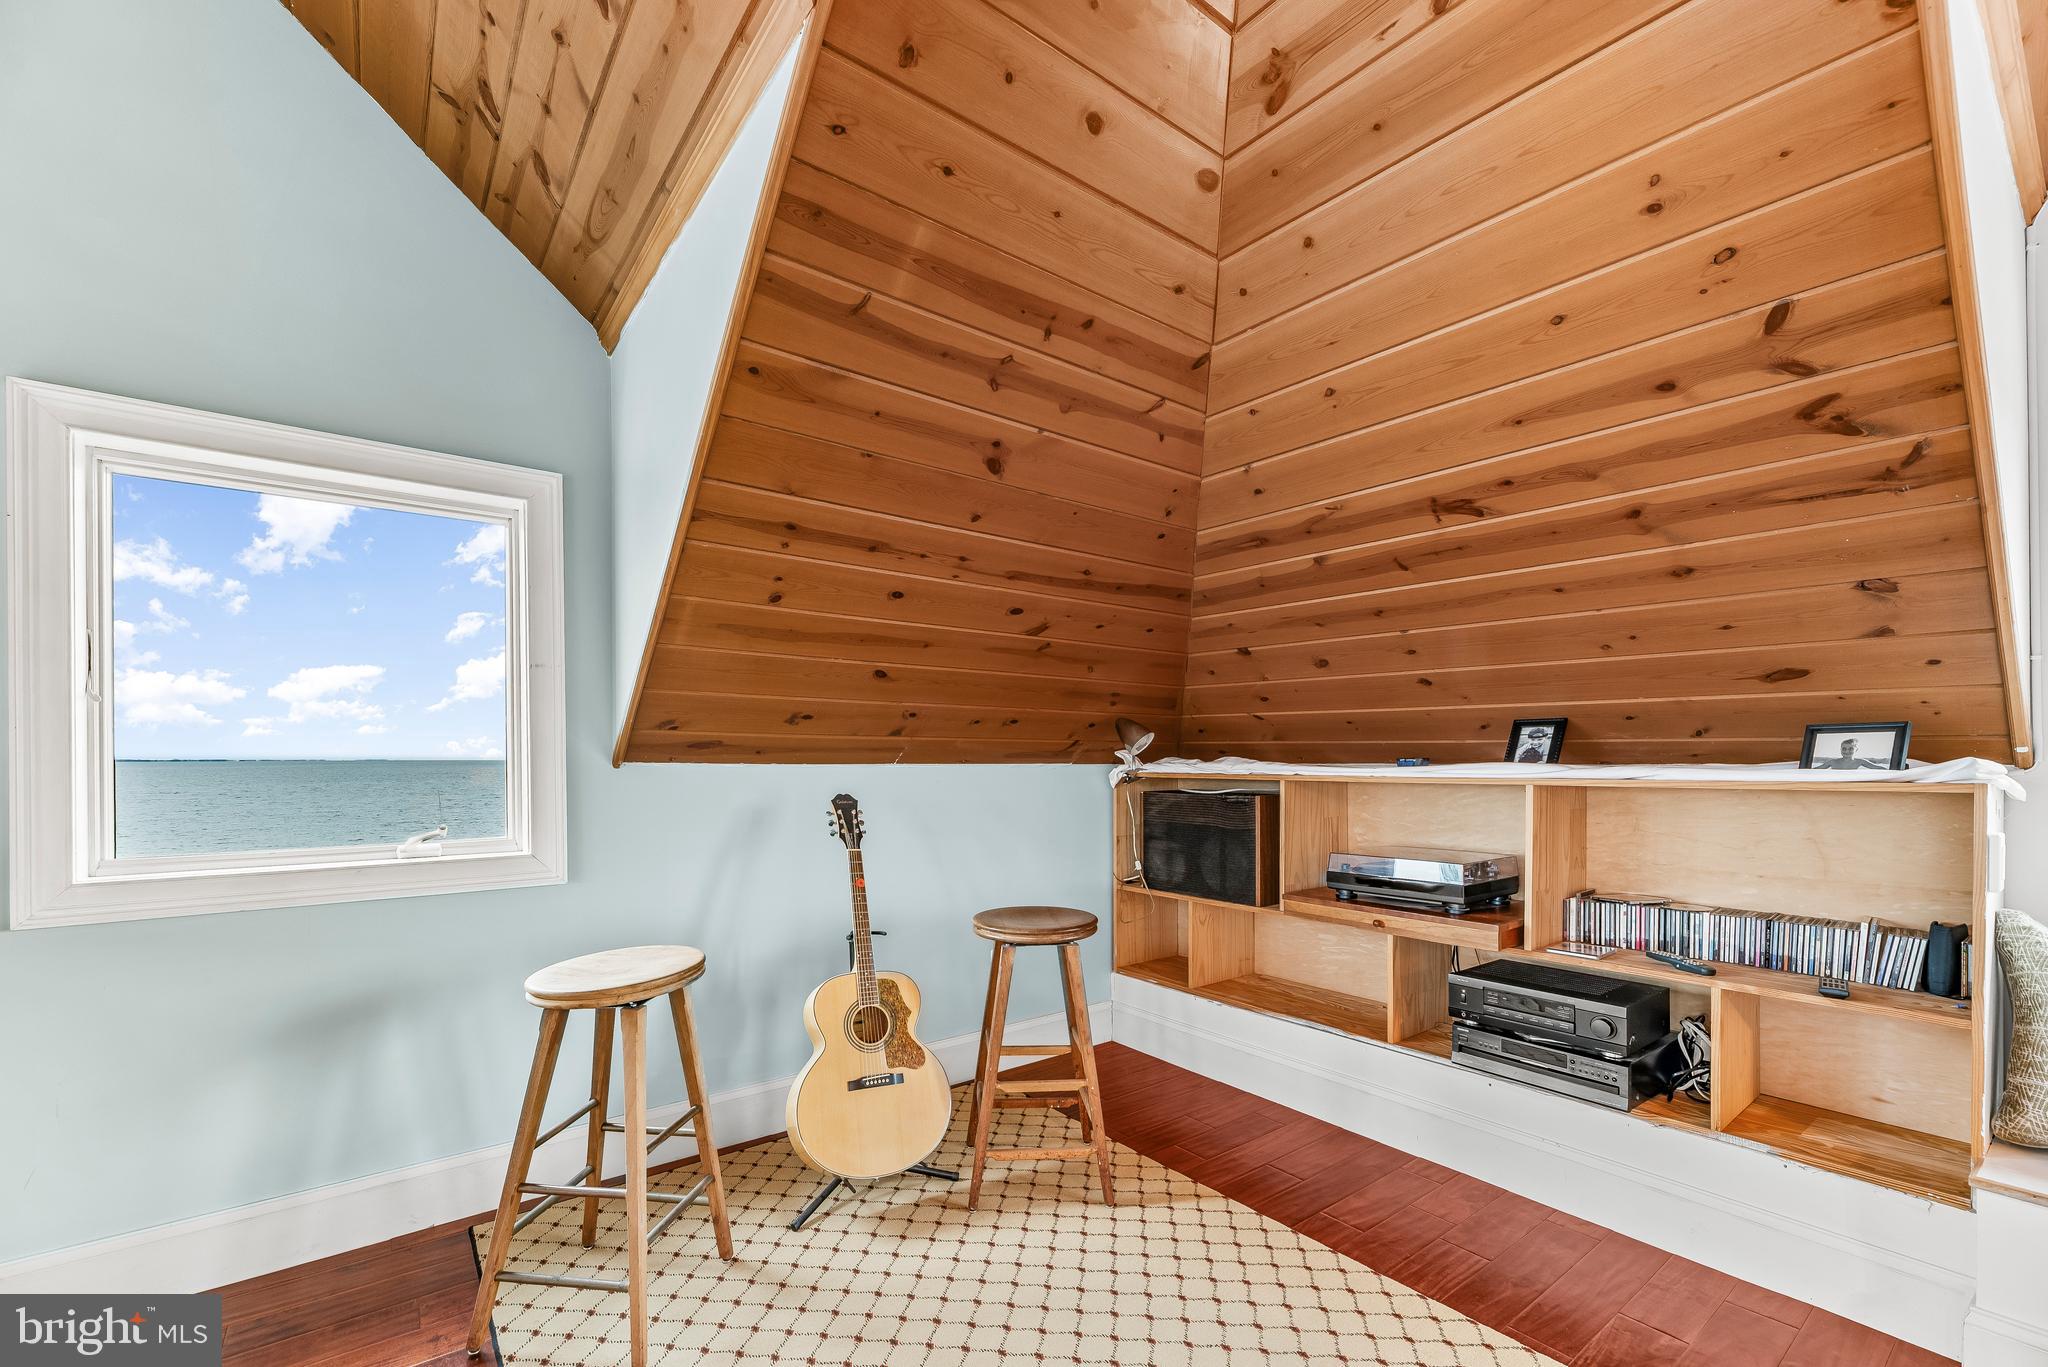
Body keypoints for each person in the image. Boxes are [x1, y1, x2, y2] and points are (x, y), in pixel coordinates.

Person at [1814, 736, 1886, 770]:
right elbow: (1815, 770)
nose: (1847, 751)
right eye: (1844, 749)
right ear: (1840, 749)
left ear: (1856, 750)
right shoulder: (1833, 762)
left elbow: (1877, 767)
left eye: (1851, 749)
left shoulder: (1860, 761)